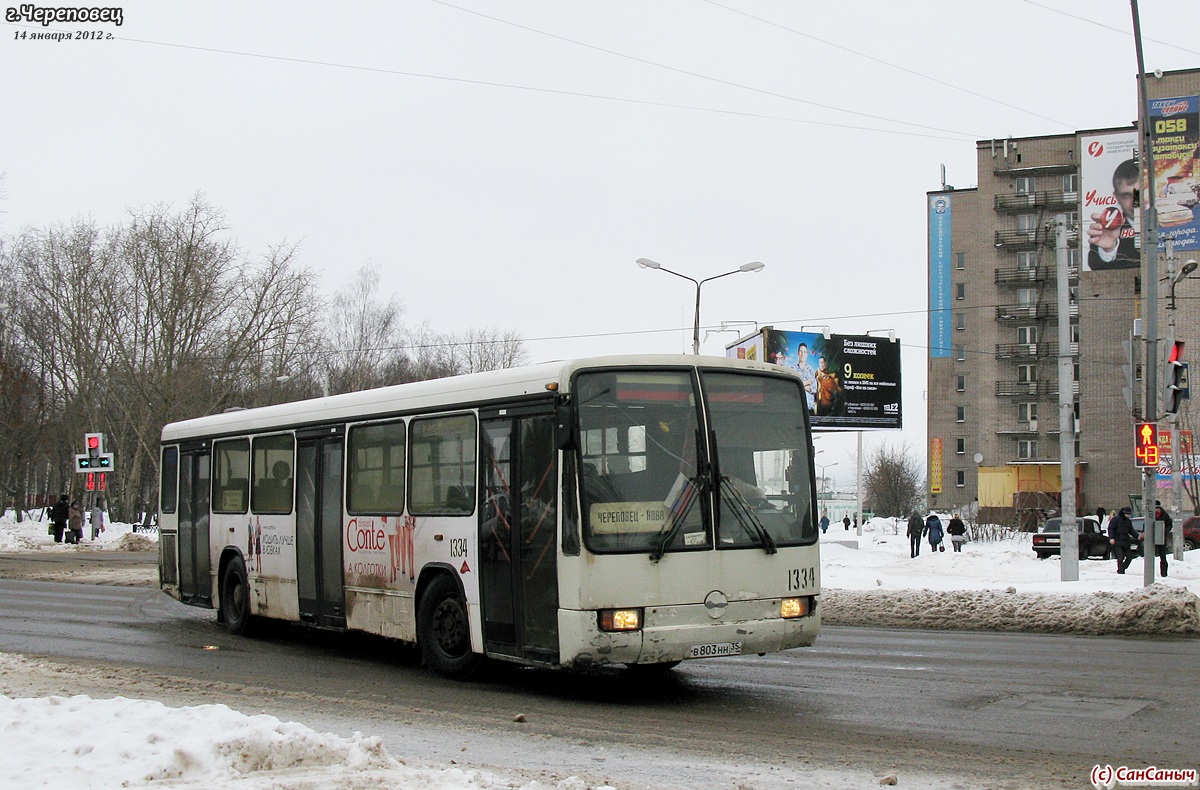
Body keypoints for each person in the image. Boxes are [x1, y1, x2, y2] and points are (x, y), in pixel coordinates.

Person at [1086, 158, 1140, 271]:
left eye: (1139, 193)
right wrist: (1108, 250)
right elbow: (1096, 267)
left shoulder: (1172, 219)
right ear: (1117, 197)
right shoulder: (1108, 228)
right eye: (1126, 195)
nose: (1135, 202)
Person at [1108, 506, 1138, 574]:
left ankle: (1122, 568)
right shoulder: (1116, 519)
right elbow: (1111, 529)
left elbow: (1131, 530)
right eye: (1128, 514)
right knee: (1120, 558)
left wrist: (1137, 536)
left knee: (1129, 557)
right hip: (1117, 541)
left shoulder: (1128, 521)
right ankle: (1121, 571)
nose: (1129, 516)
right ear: (1124, 513)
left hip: (1126, 542)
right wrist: (1111, 538)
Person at [1150, 501, 1174, 577]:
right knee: (1150, 556)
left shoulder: (1165, 515)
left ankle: (1164, 574)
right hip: (1151, 538)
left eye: (1156, 508)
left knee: (1162, 556)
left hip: (1161, 538)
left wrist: (1164, 531)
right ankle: (1150, 573)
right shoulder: (1150, 515)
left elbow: (1169, 525)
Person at [794, 343, 817, 413]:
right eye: (801, 351)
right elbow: (793, 387)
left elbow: (814, 389)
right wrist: (807, 382)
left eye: (804, 352)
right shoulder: (793, 369)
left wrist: (799, 384)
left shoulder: (811, 370)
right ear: (798, 353)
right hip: (797, 408)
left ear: (807, 354)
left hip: (809, 408)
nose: (802, 354)